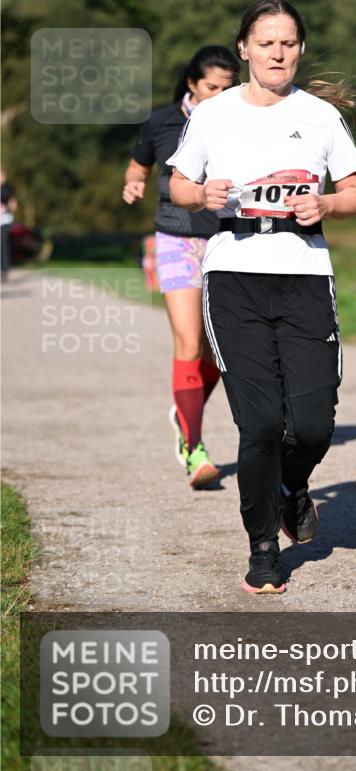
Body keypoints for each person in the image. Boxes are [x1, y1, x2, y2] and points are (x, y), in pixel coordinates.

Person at [168, 0, 356, 593]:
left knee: (310, 424)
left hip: (305, 273)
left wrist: (328, 203)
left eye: (288, 43)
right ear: (244, 50)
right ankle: (263, 552)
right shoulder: (212, 114)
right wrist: (199, 196)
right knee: (258, 424)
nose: (277, 52)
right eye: (266, 42)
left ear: (299, 50)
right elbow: (178, 181)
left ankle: (290, 487)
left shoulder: (321, 116)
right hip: (234, 275)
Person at [122, 46, 240, 487]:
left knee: (219, 348)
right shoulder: (161, 122)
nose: (220, 94)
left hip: (227, 240)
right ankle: (194, 448)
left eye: (228, 87)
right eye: (212, 87)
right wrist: (133, 184)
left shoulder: (240, 121)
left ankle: (183, 408)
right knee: (188, 341)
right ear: (192, 84)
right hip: (175, 238)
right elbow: (138, 167)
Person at [1, 168, 18, 282]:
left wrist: (6, 208)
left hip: (5, 219)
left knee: (4, 244)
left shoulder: (8, 188)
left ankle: (5, 270)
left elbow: (13, 204)